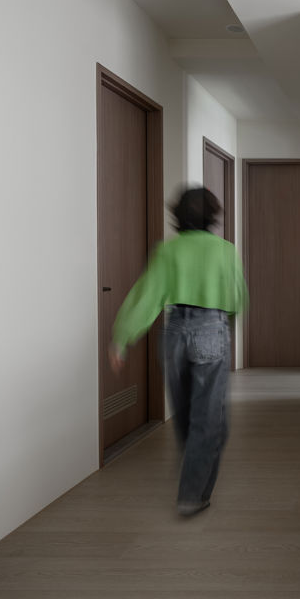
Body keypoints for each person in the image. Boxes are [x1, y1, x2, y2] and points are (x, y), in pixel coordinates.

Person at [109, 187, 247, 517]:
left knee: (184, 411)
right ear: (213, 216)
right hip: (210, 329)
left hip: (172, 333)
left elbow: (147, 295)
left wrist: (121, 338)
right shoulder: (225, 250)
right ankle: (192, 494)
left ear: (178, 215)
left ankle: (191, 464)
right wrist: (222, 321)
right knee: (209, 418)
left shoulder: (167, 250)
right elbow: (237, 298)